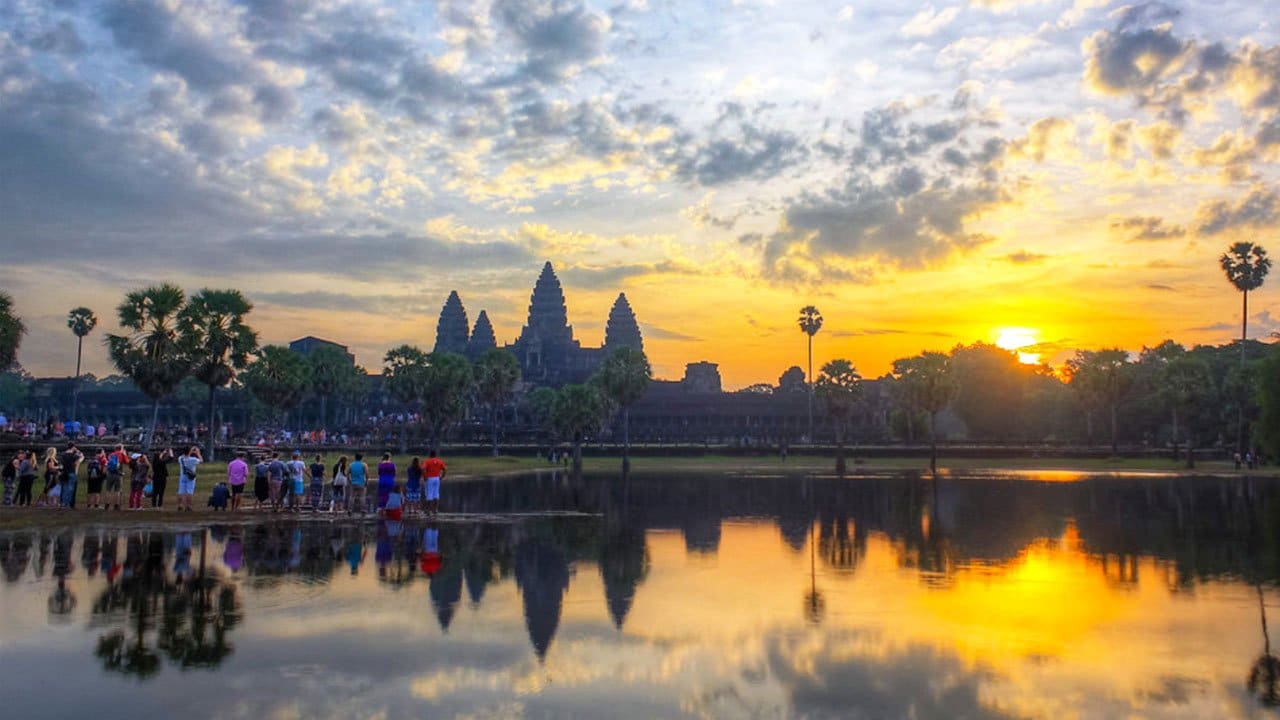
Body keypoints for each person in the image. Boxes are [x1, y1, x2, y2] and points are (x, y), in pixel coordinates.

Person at [176, 446, 202, 512]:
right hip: (190, 477)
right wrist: (198, 453)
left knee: (181, 491)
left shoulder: (180, 458)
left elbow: (184, 455)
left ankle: (179, 505)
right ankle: (188, 506)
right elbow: (201, 460)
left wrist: (189, 451)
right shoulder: (193, 459)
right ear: (189, 451)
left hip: (183, 476)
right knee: (189, 491)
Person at [59, 442, 84, 509]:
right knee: (70, 489)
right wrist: (78, 451)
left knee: (64, 488)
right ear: (73, 447)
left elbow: (60, 465)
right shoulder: (74, 455)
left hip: (64, 473)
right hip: (72, 472)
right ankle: (68, 503)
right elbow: (81, 457)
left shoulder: (63, 454)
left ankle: (62, 503)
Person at [105, 444, 129, 510]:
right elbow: (127, 462)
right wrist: (125, 454)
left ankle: (107, 504)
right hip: (118, 474)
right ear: (121, 448)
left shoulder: (111, 454)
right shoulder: (121, 454)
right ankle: (116, 505)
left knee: (108, 490)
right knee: (117, 490)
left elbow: (108, 463)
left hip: (110, 474)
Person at [423, 450, 446, 516]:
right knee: (436, 494)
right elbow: (444, 469)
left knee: (429, 494)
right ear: (435, 455)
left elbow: (423, 469)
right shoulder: (439, 461)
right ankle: (435, 510)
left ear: (430, 455)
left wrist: (425, 476)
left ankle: (428, 510)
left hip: (430, 478)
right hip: (437, 478)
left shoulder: (427, 461)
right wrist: (442, 476)